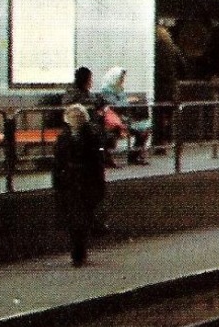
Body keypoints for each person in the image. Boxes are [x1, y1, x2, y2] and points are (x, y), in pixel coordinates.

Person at [52, 103, 106, 267]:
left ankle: (78, 252)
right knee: (78, 217)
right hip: (75, 182)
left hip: (79, 181)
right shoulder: (86, 136)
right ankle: (78, 251)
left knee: (78, 217)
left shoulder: (69, 137)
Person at [99, 66, 152, 165]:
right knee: (112, 132)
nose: (122, 80)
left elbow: (122, 104)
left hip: (125, 118)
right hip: (113, 120)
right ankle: (107, 158)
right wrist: (127, 100)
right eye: (121, 77)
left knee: (145, 130)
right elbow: (114, 105)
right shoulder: (106, 90)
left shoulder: (119, 89)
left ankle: (134, 155)